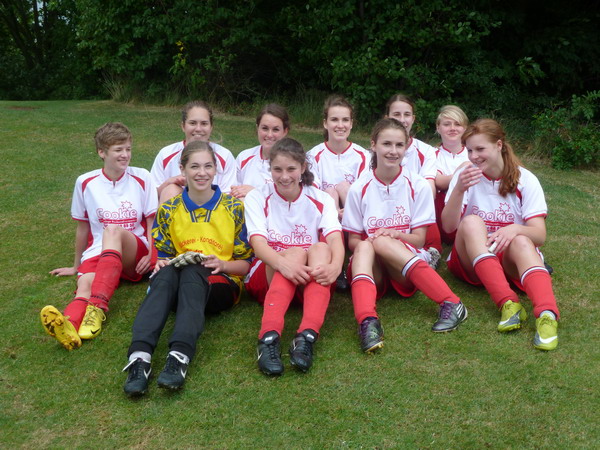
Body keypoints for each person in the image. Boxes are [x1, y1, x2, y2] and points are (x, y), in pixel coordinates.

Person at [122, 141, 252, 396]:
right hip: (175, 287)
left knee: (194, 270)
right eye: (194, 166)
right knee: (166, 272)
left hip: (220, 284)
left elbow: (245, 265)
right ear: (183, 169)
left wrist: (222, 264)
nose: (201, 173)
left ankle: (178, 357)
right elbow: (163, 254)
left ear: (216, 170)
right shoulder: (169, 209)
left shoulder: (234, 208)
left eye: (207, 166)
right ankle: (139, 358)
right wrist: (160, 261)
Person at [342, 118, 467, 353]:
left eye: (399, 145)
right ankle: (368, 322)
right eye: (386, 144)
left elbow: (420, 239)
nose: (393, 151)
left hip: (403, 265)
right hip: (371, 267)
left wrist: (394, 235)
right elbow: (353, 242)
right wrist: (373, 242)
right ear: (373, 145)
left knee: (381, 241)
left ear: (407, 146)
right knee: (367, 246)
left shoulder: (418, 185)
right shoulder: (359, 188)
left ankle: (451, 302)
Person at [441, 119, 559, 350]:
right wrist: (458, 189)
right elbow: (448, 227)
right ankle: (507, 303)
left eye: (480, 149)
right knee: (472, 222)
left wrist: (515, 228)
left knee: (524, 240)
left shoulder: (526, 179)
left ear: (499, 145)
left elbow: (540, 235)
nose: (474, 156)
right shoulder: (465, 176)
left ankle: (547, 315)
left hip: (509, 260)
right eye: (470, 150)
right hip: (471, 261)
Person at [41, 123, 157, 350]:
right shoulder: (85, 182)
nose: (125, 155)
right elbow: (83, 228)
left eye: (128, 149)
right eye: (118, 150)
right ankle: (69, 327)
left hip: (134, 251)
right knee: (84, 284)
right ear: (101, 153)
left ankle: (98, 306)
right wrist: (76, 267)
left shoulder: (142, 177)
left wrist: (152, 255)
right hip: (101, 252)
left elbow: (153, 223)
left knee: (112, 230)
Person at [244, 138, 344, 375]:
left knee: (320, 249)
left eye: (291, 169)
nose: (284, 176)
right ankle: (268, 338)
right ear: (270, 169)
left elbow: (335, 240)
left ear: (303, 168)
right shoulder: (257, 197)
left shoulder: (321, 199)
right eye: (277, 169)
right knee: (297, 252)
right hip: (268, 275)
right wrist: (284, 263)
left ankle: (306, 337)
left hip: (306, 281)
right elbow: (258, 245)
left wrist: (336, 267)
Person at [384, 93, 441, 255]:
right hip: (385, 207)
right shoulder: (376, 151)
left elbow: (429, 190)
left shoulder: (427, 151)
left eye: (407, 115)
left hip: (416, 208)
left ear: (413, 118)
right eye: (396, 114)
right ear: (386, 117)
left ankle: (427, 253)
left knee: (431, 241)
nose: (402, 119)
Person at [150, 100, 236, 202]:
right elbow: (151, 197)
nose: (198, 129)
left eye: (204, 123)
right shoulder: (166, 154)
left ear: (211, 127)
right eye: (192, 123)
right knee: (171, 189)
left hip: (213, 212)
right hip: (177, 213)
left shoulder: (224, 156)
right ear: (183, 126)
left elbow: (228, 197)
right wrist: (169, 183)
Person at [307, 95, 371, 218]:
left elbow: (366, 195)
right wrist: (333, 212)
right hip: (324, 217)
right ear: (325, 123)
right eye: (334, 119)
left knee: (344, 187)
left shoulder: (364, 156)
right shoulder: (312, 156)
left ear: (351, 124)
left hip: (356, 216)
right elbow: (311, 193)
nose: (340, 125)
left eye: (345, 120)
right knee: (330, 192)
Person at [230, 103, 290, 200]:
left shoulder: (293, 162)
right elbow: (233, 191)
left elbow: (290, 200)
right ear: (257, 128)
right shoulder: (244, 157)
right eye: (265, 128)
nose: (269, 135)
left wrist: (255, 193)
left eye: (275, 129)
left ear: (285, 131)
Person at [434, 105, 470, 244]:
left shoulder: (472, 152)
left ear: (465, 128)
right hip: (443, 206)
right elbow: (439, 181)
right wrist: (461, 171)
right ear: (438, 128)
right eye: (447, 124)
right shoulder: (432, 154)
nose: (452, 128)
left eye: (457, 124)